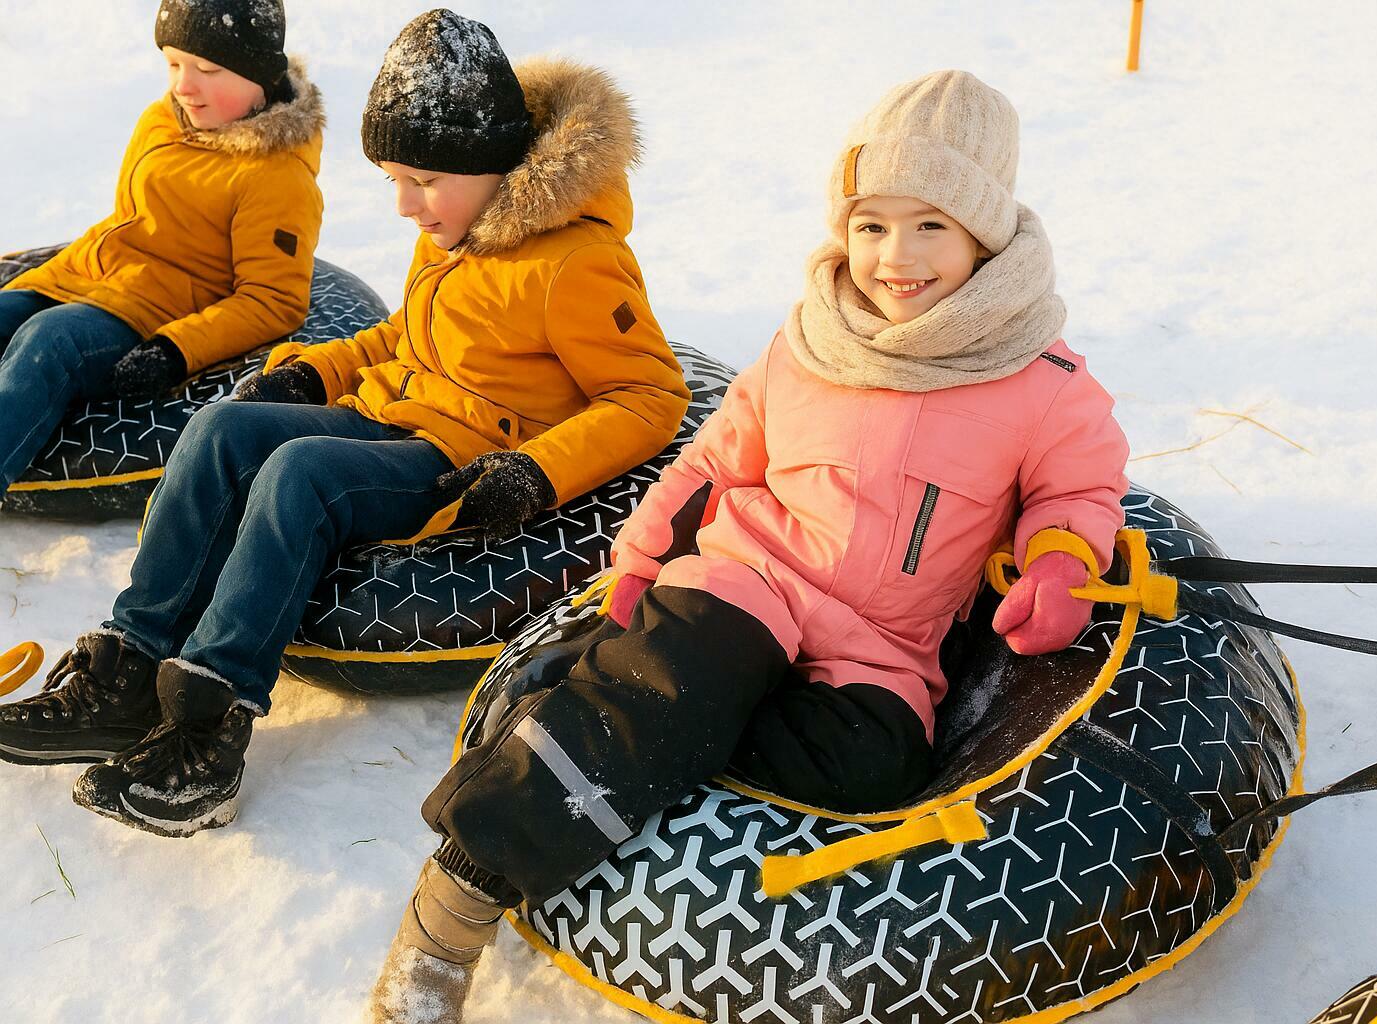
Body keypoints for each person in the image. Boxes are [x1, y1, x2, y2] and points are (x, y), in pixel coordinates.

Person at [367, 69, 1131, 1023]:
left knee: (876, 767)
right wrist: (641, 564)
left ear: (985, 233)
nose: (894, 257)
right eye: (871, 225)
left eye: (930, 225)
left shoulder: (1042, 381)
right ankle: (457, 902)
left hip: (882, 651)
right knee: (682, 679)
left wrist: (1061, 563)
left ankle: (613, 710)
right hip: (748, 582)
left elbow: (1080, 489)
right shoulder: (808, 342)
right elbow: (713, 464)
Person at [0, 9, 690, 844]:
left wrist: (536, 472)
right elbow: (406, 334)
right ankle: (126, 668)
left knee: (301, 475)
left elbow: (650, 395)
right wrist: (314, 371)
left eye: (422, 180)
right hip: (390, 412)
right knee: (220, 432)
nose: (403, 205)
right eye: (394, 180)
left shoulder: (577, 264)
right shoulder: (458, 227)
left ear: (492, 165)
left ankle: (207, 733)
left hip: (458, 458)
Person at [0, 0, 324, 492]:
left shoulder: (278, 176)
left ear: (258, 75)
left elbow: (274, 300)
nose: (183, 86)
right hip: (84, 275)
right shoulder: (162, 119)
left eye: (207, 69)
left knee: (47, 342)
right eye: (174, 64)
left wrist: (176, 350)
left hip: (155, 308)